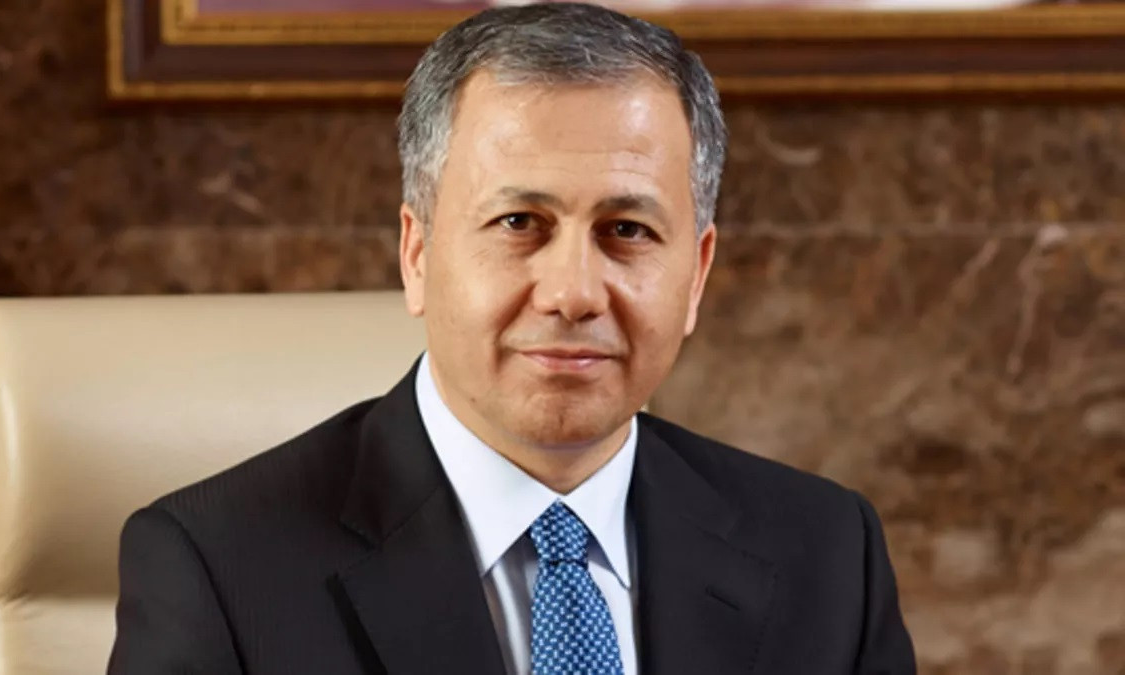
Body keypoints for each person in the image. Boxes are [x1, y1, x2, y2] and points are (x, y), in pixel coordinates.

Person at [108, 3, 915, 673]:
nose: (573, 293)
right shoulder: (219, 567)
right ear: (417, 253)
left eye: (627, 230)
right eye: (519, 222)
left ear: (697, 273)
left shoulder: (827, 554)